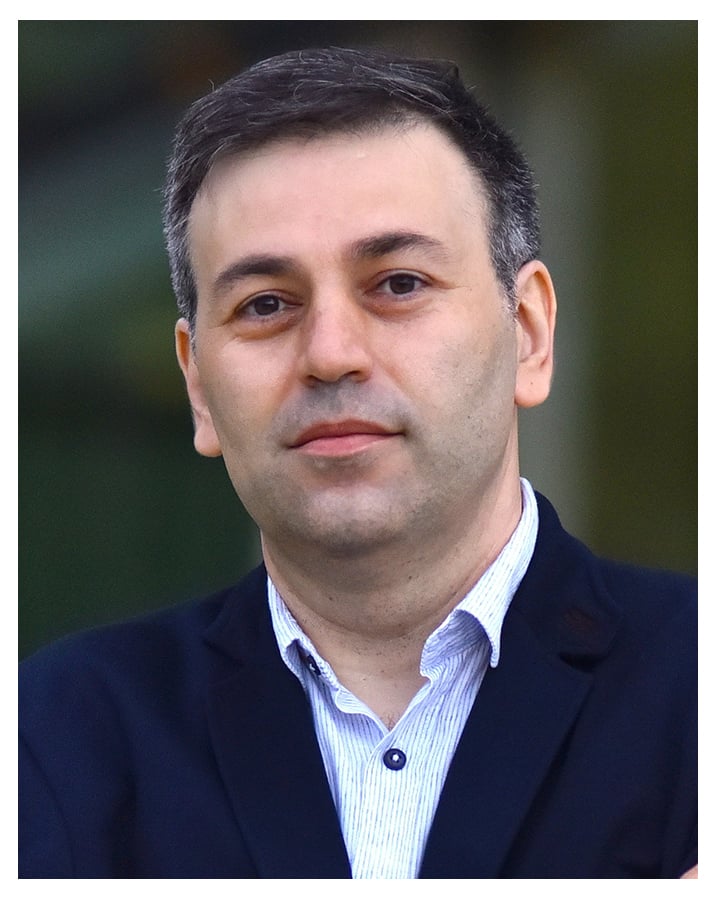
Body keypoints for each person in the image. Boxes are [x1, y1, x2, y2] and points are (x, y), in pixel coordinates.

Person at [18, 46, 697, 879]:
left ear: (528, 333)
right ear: (199, 387)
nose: (331, 353)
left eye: (399, 284)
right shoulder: (51, 744)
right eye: (266, 304)